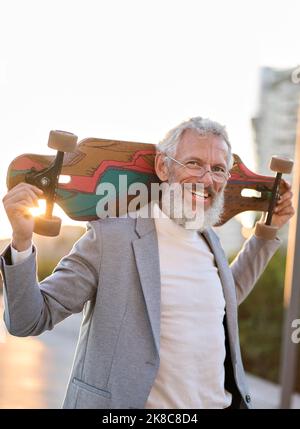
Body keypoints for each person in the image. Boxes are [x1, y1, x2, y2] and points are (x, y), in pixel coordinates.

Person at [1, 117, 295, 409]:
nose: (207, 179)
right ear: (163, 167)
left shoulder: (209, 239)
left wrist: (266, 233)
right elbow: (29, 319)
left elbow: (224, 300)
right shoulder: (112, 237)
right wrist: (23, 242)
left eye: (217, 169)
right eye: (193, 163)